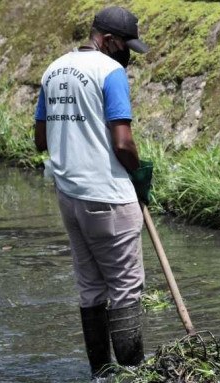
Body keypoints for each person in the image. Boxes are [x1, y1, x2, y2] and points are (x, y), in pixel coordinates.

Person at [33, 6, 151, 377]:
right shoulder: (110, 71)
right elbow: (122, 143)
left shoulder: (53, 70)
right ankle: (134, 373)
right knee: (127, 289)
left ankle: (102, 373)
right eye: (125, 45)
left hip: (70, 197)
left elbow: (40, 139)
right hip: (109, 197)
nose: (127, 54)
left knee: (91, 289)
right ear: (109, 40)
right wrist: (140, 175)